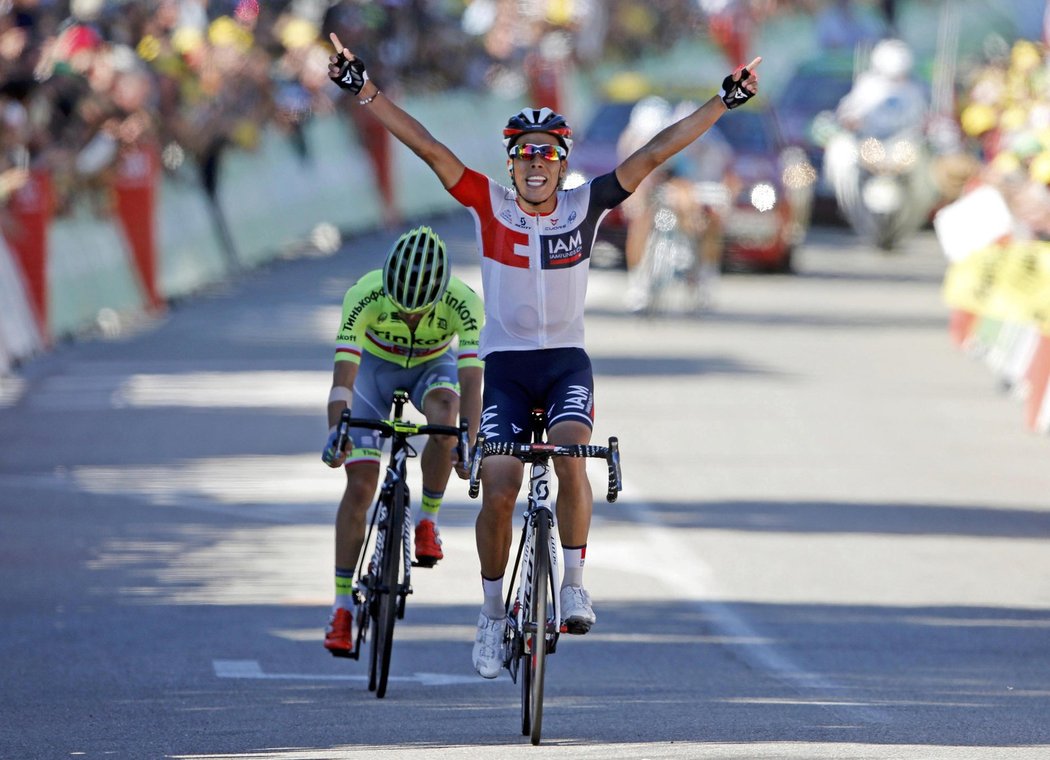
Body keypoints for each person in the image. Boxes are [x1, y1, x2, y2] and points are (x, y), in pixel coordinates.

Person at [327, 33, 760, 676]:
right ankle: (493, 614)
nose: (535, 164)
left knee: (570, 459)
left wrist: (722, 103)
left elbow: (657, 150)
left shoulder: (585, 205)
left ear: (562, 164)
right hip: (505, 369)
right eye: (524, 154)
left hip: (563, 364)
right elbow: (426, 147)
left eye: (547, 155)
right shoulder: (488, 203)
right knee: (498, 490)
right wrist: (366, 92)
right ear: (512, 164)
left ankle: (577, 582)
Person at [319, 225, 484, 657]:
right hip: (373, 374)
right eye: (402, 310)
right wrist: (339, 431)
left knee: (447, 415)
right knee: (359, 487)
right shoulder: (364, 294)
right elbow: (343, 381)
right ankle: (340, 607)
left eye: (419, 313)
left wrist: (469, 441)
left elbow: (471, 383)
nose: (410, 319)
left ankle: (427, 519)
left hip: (432, 369)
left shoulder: (465, 303)